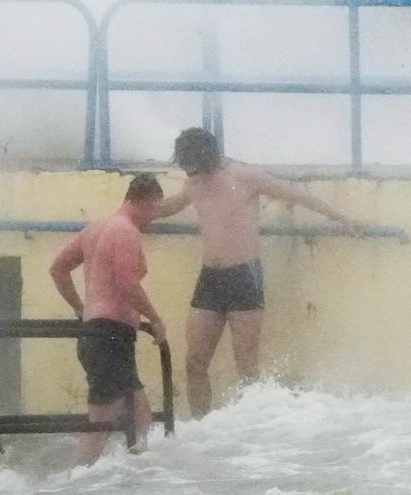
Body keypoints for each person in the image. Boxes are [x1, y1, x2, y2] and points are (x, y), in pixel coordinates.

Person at [159, 127, 361, 418]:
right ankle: (200, 427)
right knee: (195, 361)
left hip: (244, 276)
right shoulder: (193, 182)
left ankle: (250, 429)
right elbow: (171, 206)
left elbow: (296, 194)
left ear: (207, 157)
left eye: (193, 165)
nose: (190, 172)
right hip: (210, 278)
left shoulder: (245, 176)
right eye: (185, 166)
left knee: (246, 363)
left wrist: (340, 217)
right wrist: (133, 213)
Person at [49, 173, 168, 464]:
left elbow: (58, 269)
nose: (154, 217)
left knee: (141, 418)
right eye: (155, 209)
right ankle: (72, 483)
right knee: (101, 422)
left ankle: (137, 479)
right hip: (109, 337)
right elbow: (126, 282)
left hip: (102, 335)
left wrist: (82, 308)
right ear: (145, 201)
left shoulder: (96, 229)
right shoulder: (126, 231)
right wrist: (155, 319)